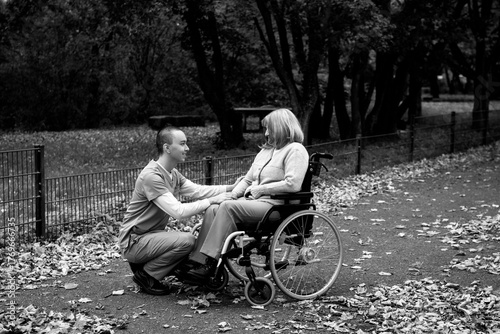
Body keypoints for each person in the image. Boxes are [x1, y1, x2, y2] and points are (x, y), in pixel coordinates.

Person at [184, 108, 309, 280]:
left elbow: (293, 184)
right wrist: (233, 195)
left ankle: (211, 262)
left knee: (228, 208)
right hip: (254, 202)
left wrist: (261, 190)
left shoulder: (295, 150)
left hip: (276, 206)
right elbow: (248, 179)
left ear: (281, 127)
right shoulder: (266, 151)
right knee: (214, 208)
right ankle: (197, 259)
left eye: (269, 129)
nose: (266, 133)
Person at [118, 126, 237, 295]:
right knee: (187, 240)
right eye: (182, 144)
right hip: (134, 242)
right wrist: (211, 201)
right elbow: (178, 211)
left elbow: (197, 190)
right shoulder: (152, 176)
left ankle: (153, 267)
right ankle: (146, 275)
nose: (187, 148)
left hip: (149, 237)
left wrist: (230, 188)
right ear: (167, 148)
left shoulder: (172, 173)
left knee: (188, 242)